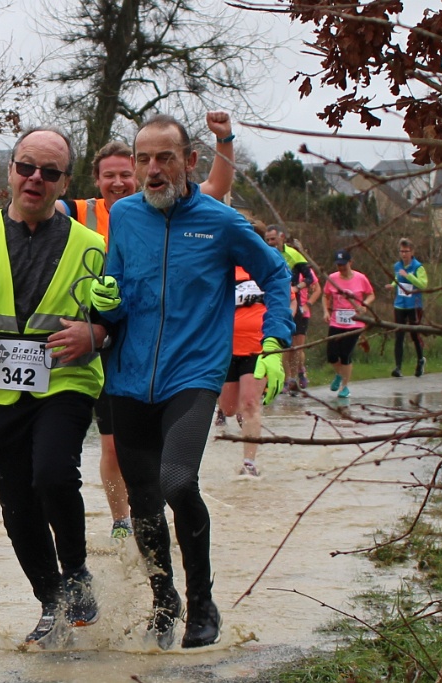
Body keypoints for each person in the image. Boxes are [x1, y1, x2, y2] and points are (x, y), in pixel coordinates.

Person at [90, 114, 293, 650]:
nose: (153, 170)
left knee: (178, 482)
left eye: (165, 158)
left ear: (190, 161)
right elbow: (114, 287)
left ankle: (202, 602)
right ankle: (165, 601)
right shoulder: (124, 215)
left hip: (194, 374)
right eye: (143, 159)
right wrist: (102, 302)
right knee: (143, 503)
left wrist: (274, 341)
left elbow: (276, 272)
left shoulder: (220, 222)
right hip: (129, 376)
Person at [0, 127, 108, 648]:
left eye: (49, 172)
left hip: (66, 380)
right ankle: (51, 602)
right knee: (17, 503)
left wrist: (97, 334)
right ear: (10, 171)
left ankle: (76, 573)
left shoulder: (93, 247)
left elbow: (120, 317)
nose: (36, 179)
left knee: (53, 473)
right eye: (27, 167)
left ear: (64, 183)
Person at [57, 112, 237, 540]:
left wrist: (225, 139)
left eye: (125, 173)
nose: (120, 182)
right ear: (96, 180)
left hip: (166, 353)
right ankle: (123, 522)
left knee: (169, 472)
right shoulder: (84, 212)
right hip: (108, 347)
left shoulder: (177, 205)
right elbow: (41, 205)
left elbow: (216, 188)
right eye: (110, 175)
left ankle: (174, 537)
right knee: (116, 452)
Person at [218, 266, 269, 477]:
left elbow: (288, 300)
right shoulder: (223, 269)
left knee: (250, 403)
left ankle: (249, 464)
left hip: (259, 348)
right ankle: (246, 415)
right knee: (228, 408)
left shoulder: (266, 267)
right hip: (227, 348)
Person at [264, 226, 319, 392]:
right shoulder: (265, 254)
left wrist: (296, 288)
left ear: (281, 237)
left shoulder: (293, 254)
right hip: (276, 303)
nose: (270, 243)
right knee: (283, 345)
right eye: (267, 240)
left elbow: (310, 278)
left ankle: (298, 372)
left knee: (296, 347)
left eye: (273, 239)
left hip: (296, 303)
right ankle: (288, 379)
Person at [321, 249, 375, 399]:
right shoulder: (332, 278)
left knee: (345, 354)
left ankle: (344, 387)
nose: (341, 268)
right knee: (332, 355)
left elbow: (371, 294)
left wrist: (364, 305)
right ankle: (340, 375)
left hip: (354, 323)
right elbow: (325, 296)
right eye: (338, 265)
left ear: (350, 262)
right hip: (336, 321)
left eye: (344, 265)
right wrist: (326, 311)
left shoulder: (360, 278)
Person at [383, 238, 428, 378]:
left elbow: (423, 285)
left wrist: (408, 276)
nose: (403, 254)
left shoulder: (418, 267)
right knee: (399, 335)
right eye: (401, 251)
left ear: (412, 252)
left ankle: (420, 360)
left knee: (414, 334)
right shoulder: (397, 266)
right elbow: (398, 279)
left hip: (414, 305)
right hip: (400, 304)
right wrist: (392, 285)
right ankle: (398, 367)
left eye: (406, 251)